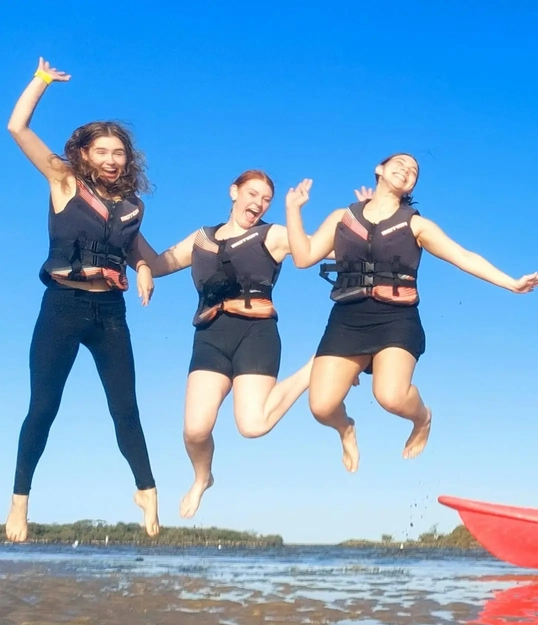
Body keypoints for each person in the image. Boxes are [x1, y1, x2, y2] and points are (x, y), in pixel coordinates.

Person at [284, 153, 538, 472]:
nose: (407, 170)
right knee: (322, 407)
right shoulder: (343, 217)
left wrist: (511, 283)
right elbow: (303, 256)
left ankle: (422, 419)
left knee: (390, 396)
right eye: (401, 164)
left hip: (396, 319)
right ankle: (346, 429)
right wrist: (293, 211)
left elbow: (463, 256)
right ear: (379, 169)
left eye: (414, 171)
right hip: (347, 318)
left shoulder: (416, 224)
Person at [141, 171, 366, 519]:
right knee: (195, 429)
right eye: (252, 194)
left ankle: (315, 369)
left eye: (265, 199)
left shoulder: (272, 235)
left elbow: (315, 247)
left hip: (256, 334)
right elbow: (157, 264)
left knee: (253, 425)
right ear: (234, 192)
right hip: (211, 337)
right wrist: (123, 232)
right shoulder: (201, 238)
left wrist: (364, 221)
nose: (258, 203)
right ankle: (202, 478)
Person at [5, 58, 160, 542]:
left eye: (119, 152)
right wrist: (41, 81)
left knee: (126, 409)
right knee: (43, 407)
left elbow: (135, 249)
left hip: (110, 314)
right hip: (63, 308)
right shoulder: (64, 181)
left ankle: (147, 493)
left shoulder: (132, 206)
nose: (113, 159)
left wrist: (145, 268)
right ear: (85, 154)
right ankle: (19, 503)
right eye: (103, 151)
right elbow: (17, 127)